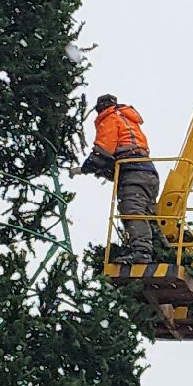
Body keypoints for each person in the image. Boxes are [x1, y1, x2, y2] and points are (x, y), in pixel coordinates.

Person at [79, 93, 160, 263]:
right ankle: (162, 249)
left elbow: (103, 150)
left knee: (132, 210)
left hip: (133, 173)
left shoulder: (110, 118)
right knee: (148, 213)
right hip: (148, 173)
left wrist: (87, 166)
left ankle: (142, 252)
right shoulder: (128, 119)